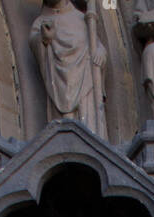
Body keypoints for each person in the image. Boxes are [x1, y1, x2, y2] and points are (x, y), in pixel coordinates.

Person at [30, 0, 106, 135]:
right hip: (59, 87)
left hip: (85, 85)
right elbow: (35, 42)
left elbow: (96, 44)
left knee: (89, 129)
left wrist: (101, 52)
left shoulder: (82, 18)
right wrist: (44, 38)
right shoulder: (41, 22)